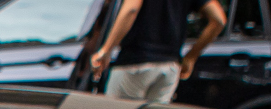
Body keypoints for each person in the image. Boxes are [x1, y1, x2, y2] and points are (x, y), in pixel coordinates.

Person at [89, 0, 223, 102]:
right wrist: (191, 56)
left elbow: (131, 9)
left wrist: (106, 50)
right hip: (169, 68)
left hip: (135, 63)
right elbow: (218, 20)